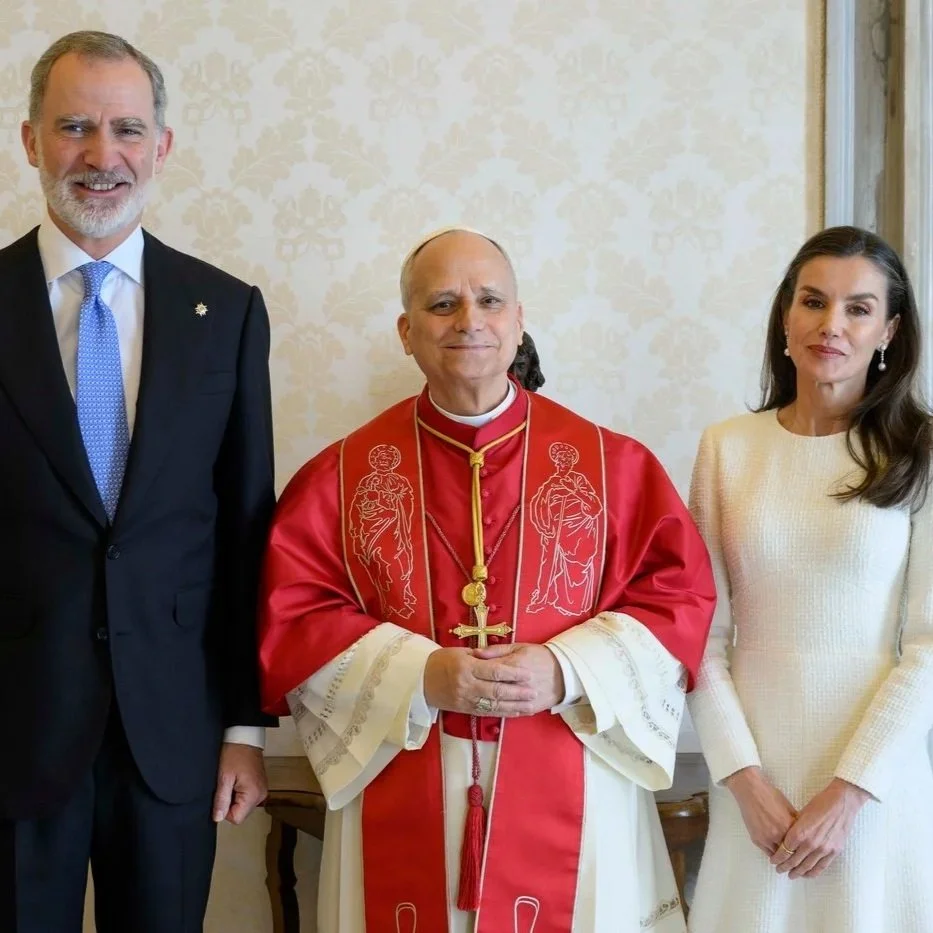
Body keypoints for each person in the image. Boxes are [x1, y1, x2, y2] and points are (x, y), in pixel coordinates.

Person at [259, 227, 716, 933]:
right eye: (442, 304)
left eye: (488, 299)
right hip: (407, 762)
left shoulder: (613, 465)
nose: (469, 319)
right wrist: (419, 673)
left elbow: (676, 600)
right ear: (406, 331)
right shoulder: (340, 477)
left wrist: (564, 668)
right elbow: (293, 617)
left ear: (518, 319)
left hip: (570, 760)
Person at [0, 31, 275, 933]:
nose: (101, 155)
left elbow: (244, 532)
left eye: (125, 128)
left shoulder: (225, 311)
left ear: (161, 146)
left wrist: (245, 726)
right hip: (13, 728)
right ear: (32, 139)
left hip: (173, 732)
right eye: (74, 126)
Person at [686, 226, 933, 933]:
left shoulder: (917, 450)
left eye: (858, 308)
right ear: (785, 316)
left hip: (874, 787)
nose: (831, 325)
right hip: (753, 784)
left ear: (887, 329)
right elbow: (701, 634)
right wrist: (742, 780)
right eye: (812, 301)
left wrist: (850, 790)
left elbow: (927, 643)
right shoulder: (726, 448)